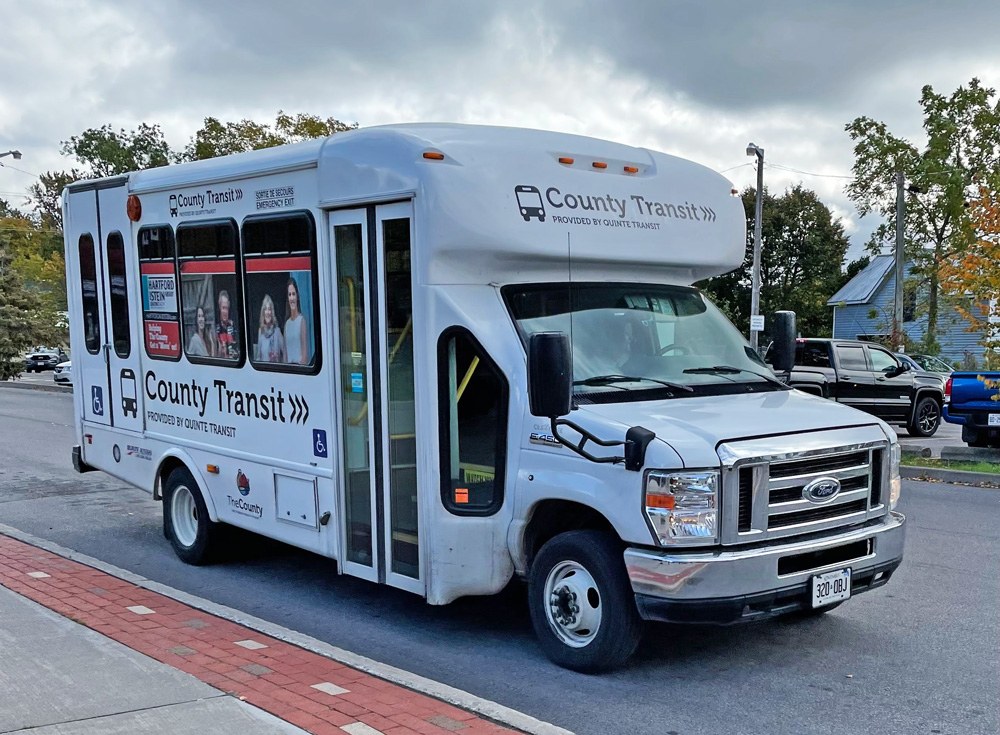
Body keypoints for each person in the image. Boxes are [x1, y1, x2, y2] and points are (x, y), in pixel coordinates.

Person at [284, 278, 309, 365]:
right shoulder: (287, 324)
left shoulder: (301, 321)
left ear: (297, 296)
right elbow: (285, 355)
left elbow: (305, 355)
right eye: (289, 294)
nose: (292, 298)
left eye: (293, 294)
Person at [256, 294, 285, 363]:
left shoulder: (277, 331)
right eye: (265, 309)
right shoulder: (261, 332)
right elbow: (258, 357)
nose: (267, 312)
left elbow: (285, 354)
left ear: (272, 312)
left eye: (269, 309)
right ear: (263, 312)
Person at [215, 290, 239, 360]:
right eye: (223, 308)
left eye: (227, 308)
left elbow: (237, 351)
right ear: (219, 308)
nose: (225, 311)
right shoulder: (216, 328)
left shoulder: (233, 327)